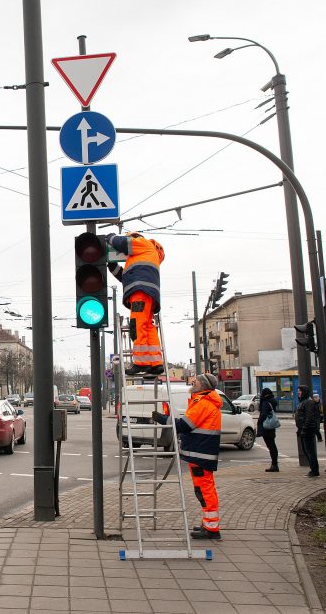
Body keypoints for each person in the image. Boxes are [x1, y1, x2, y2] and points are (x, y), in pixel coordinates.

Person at [153, 372, 222, 539]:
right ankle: (209, 524)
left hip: (201, 454)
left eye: (197, 381)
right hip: (200, 453)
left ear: (204, 386)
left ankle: (212, 529)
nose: (194, 382)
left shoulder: (203, 403)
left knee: (205, 491)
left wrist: (164, 419)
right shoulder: (202, 401)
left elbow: (184, 425)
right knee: (203, 490)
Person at [105, 231, 166, 375]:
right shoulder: (142, 257)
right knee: (147, 326)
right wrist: (112, 267)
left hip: (140, 292)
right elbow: (126, 277)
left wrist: (111, 238)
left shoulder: (143, 243)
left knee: (137, 325)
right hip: (147, 294)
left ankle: (141, 363)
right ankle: (155, 363)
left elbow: (124, 243)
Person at [295, 385, 321, 477]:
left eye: (300, 391)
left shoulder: (309, 402)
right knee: (307, 450)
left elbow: (309, 417)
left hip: (307, 430)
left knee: (310, 451)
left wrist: (305, 429)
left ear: (304, 392)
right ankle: (313, 469)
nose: (298, 392)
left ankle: (314, 470)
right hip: (303, 430)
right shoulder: (303, 402)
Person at [257, 387, 280, 472]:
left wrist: (259, 421)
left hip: (266, 426)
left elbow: (263, 414)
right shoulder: (272, 401)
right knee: (272, 445)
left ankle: (274, 465)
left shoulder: (266, 402)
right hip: (271, 426)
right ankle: (275, 464)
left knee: (270, 446)